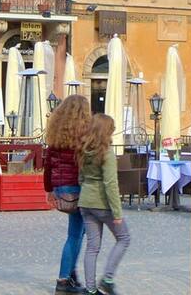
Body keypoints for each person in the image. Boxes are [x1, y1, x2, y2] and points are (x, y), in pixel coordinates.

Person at [77, 113, 132, 294]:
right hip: (102, 204)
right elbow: (110, 184)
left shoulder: (83, 150)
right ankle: (107, 279)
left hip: (85, 202)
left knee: (92, 247)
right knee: (124, 238)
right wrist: (117, 212)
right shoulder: (106, 153)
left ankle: (90, 289)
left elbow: (81, 178)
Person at [44, 95, 90, 293]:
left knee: (79, 232)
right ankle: (63, 280)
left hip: (61, 188)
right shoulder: (84, 134)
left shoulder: (56, 133)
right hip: (78, 187)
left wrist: (49, 190)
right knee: (74, 235)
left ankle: (71, 274)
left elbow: (48, 164)